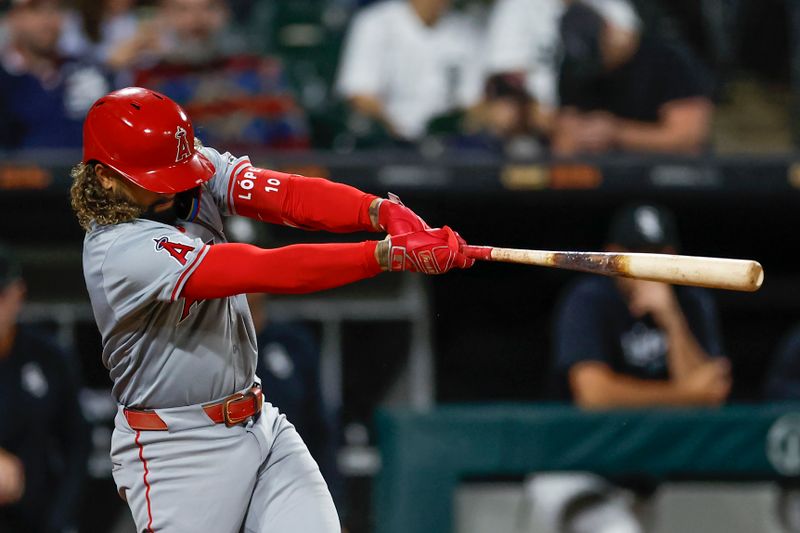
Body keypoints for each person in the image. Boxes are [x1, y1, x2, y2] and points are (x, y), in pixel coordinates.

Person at [69, 86, 474, 532]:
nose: (178, 183)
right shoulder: (116, 252)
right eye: (157, 175)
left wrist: (378, 211)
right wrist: (386, 255)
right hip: (177, 450)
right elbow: (265, 268)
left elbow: (285, 196)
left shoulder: (189, 172)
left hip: (257, 421)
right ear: (105, 177)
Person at [525, 203, 730, 533]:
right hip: (575, 471)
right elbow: (595, 395)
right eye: (636, 254)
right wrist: (684, 395)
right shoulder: (589, 298)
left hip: (644, 478)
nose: (647, 266)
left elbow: (710, 399)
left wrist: (671, 319)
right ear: (612, 255)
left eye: (657, 253)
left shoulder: (689, 301)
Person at [0, 243, 90, 533]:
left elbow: (77, 441)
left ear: (18, 293)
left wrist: (60, 519)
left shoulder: (49, 356)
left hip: (39, 515)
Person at [553, 1, 714, 155]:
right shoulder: (573, 69)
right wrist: (578, 138)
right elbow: (564, 139)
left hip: (669, 175)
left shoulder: (667, 60)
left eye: (596, 56)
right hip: (603, 175)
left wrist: (617, 133)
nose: (596, 66)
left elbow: (689, 137)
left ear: (610, 32)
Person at [247, 292, 347, 523]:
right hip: (233, 488)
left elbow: (320, 428)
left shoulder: (292, 342)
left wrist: (337, 509)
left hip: (291, 485)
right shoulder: (208, 347)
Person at [482, 0, 638, 141]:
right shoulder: (517, 6)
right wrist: (553, 119)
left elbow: (628, 51)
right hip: (540, 123)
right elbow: (506, 83)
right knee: (506, 114)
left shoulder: (610, 6)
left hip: (602, 110)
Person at [335, 0, 485, 144]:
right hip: (386, 142)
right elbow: (359, 94)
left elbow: (472, 102)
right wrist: (396, 131)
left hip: (449, 143)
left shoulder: (466, 30)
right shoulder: (374, 22)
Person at [0, 0, 111, 150]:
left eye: (55, 10)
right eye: (36, 11)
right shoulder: (6, 78)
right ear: (14, 17)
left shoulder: (86, 73)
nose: (47, 20)